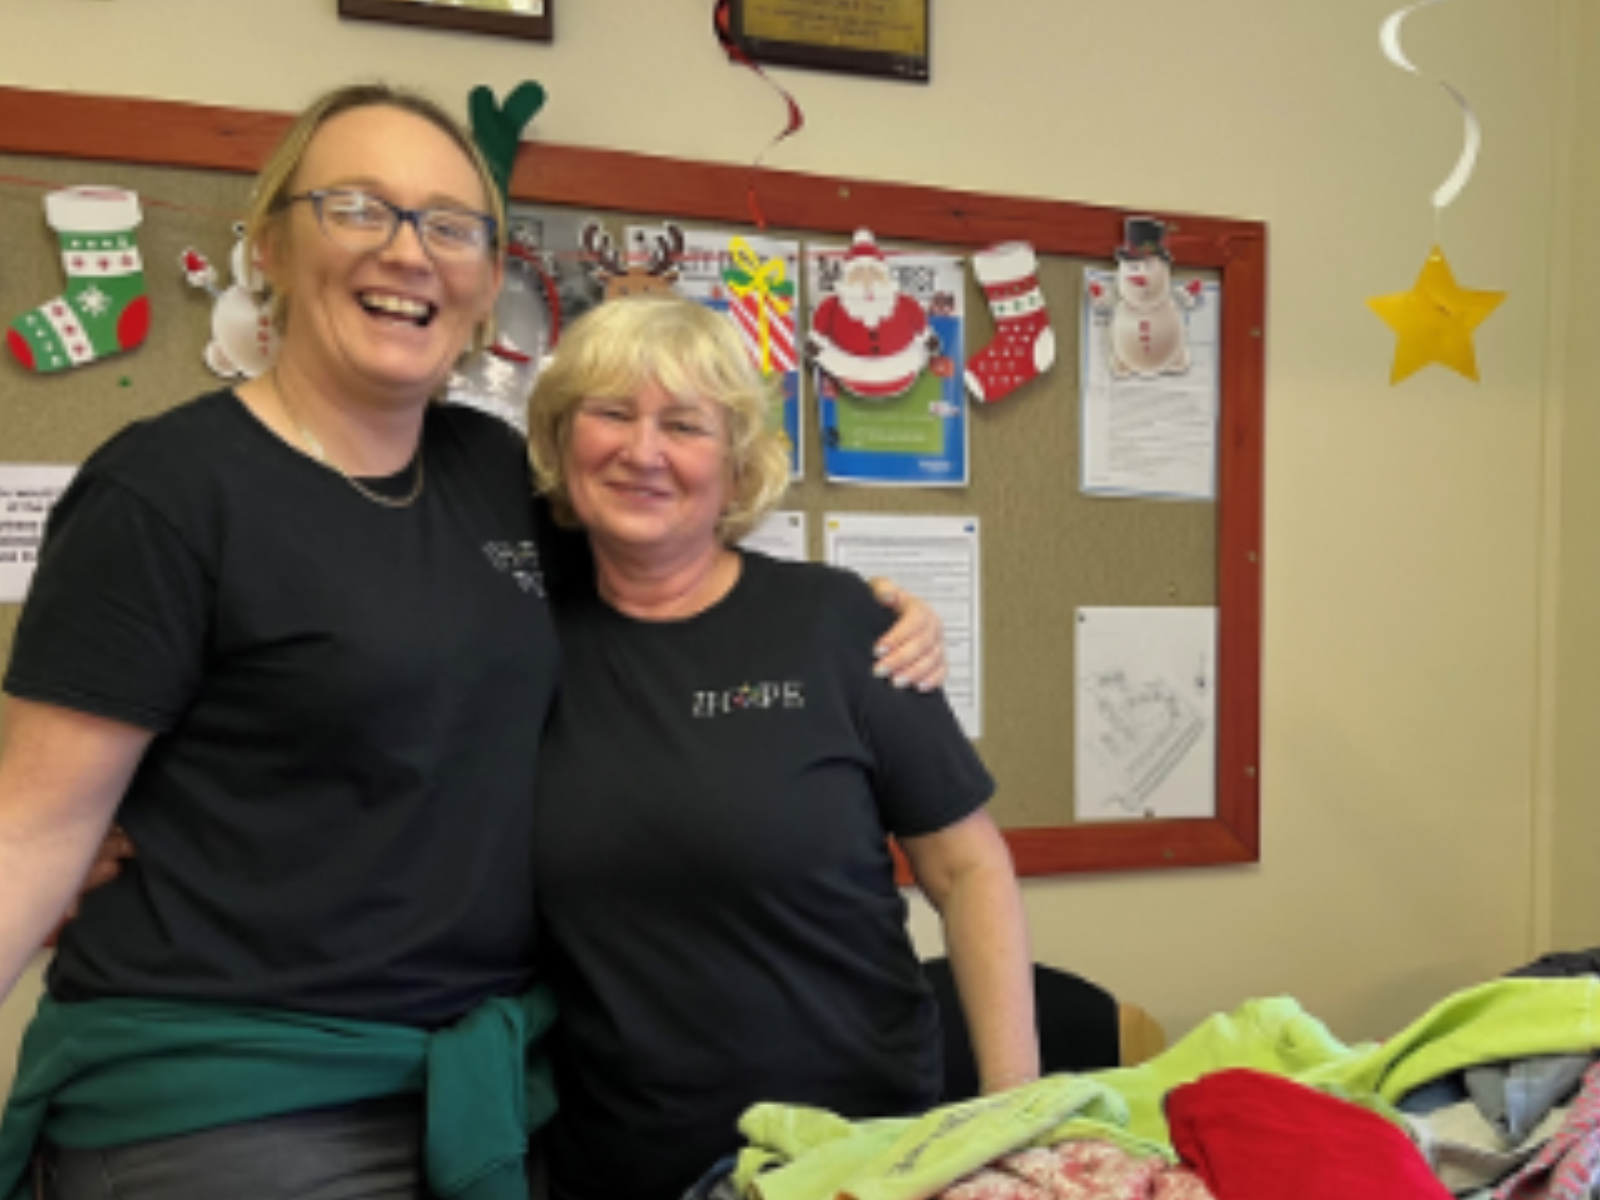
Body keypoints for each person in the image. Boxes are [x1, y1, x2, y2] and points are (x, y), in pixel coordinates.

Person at [0, 83, 944, 1200]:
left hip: (482, 1090)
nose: (408, 252)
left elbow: (670, 565)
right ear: (271, 244)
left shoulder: (496, 478)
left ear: (490, 280)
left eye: (450, 225)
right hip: (234, 1097)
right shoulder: (166, 491)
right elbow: (31, 827)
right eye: (359, 207)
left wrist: (869, 611)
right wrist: (83, 828)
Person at [524, 294, 1038, 1200]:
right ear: (563, 442)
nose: (643, 450)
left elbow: (968, 871)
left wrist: (1014, 1120)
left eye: (684, 425)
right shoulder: (518, 644)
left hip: (855, 1159)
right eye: (610, 413)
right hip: (617, 1164)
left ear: (735, 467)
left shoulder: (837, 625)